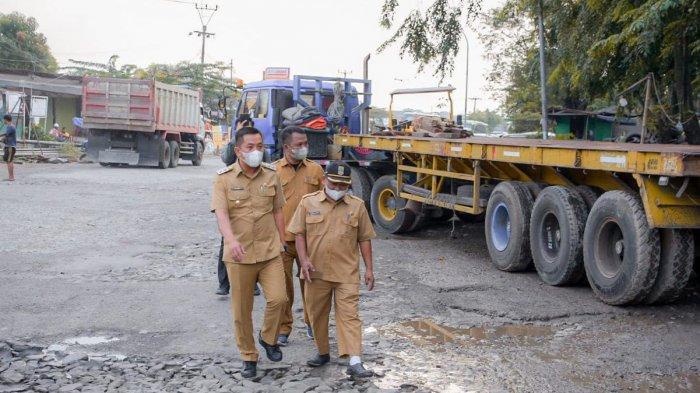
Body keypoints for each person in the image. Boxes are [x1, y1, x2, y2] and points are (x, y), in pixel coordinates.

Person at [210, 126, 287, 379]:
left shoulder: (271, 175)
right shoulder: (224, 179)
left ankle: (268, 337)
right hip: (239, 256)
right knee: (242, 311)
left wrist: (283, 240)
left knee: (279, 299)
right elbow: (221, 215)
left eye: (260, 147)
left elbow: (278, 211)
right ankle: (248, 356)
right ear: (238, 151)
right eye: (250, 147)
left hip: (269, 251)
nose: (256, 152)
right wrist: (230, 241)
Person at [288, 161, 376, 378]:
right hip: (315, 272)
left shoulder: (357, 206)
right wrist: (304, 259)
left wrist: (369, 269)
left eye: (343, 186)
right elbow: (298, 233)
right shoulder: (308, 203)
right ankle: (323, 351)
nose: (337, 189)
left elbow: (364, 238)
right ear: (324, 180)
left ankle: (355, 360)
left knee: (350, 315)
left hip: (346, 272)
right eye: (334, 184)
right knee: (317, 315)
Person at [273, 126, 325, 345]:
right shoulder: (273, 171)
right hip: (283, 240)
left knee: (312, 286)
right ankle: (284, 327)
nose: (304, 147)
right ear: (287, 147)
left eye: (306, 143)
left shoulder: (315, 170)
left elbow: (325, 203)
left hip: (311, 240)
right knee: (283, 288)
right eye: (299, 144)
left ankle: (312, 323)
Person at [215, 116, 260, 297]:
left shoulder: (257, 145)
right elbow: (226, 158)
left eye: (249, 126)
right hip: (234, 198)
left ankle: (253, 283)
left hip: (254, 199)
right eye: (244, 126)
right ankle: (224, 283)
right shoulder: (235, 145)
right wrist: (236, 136)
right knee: (227, 241)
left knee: (255, 241)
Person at [1, 115, 17, 181]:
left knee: (9, 161)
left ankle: (11, 177)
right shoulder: (10, 127)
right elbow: (6, 135)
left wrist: (1, 139)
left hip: (10, 147)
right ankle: (11, 176)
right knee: (9, 161)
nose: (3, 121)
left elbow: (5, 136)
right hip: (9, 146)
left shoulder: (10, 127)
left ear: (6, 119)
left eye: (4, 120)